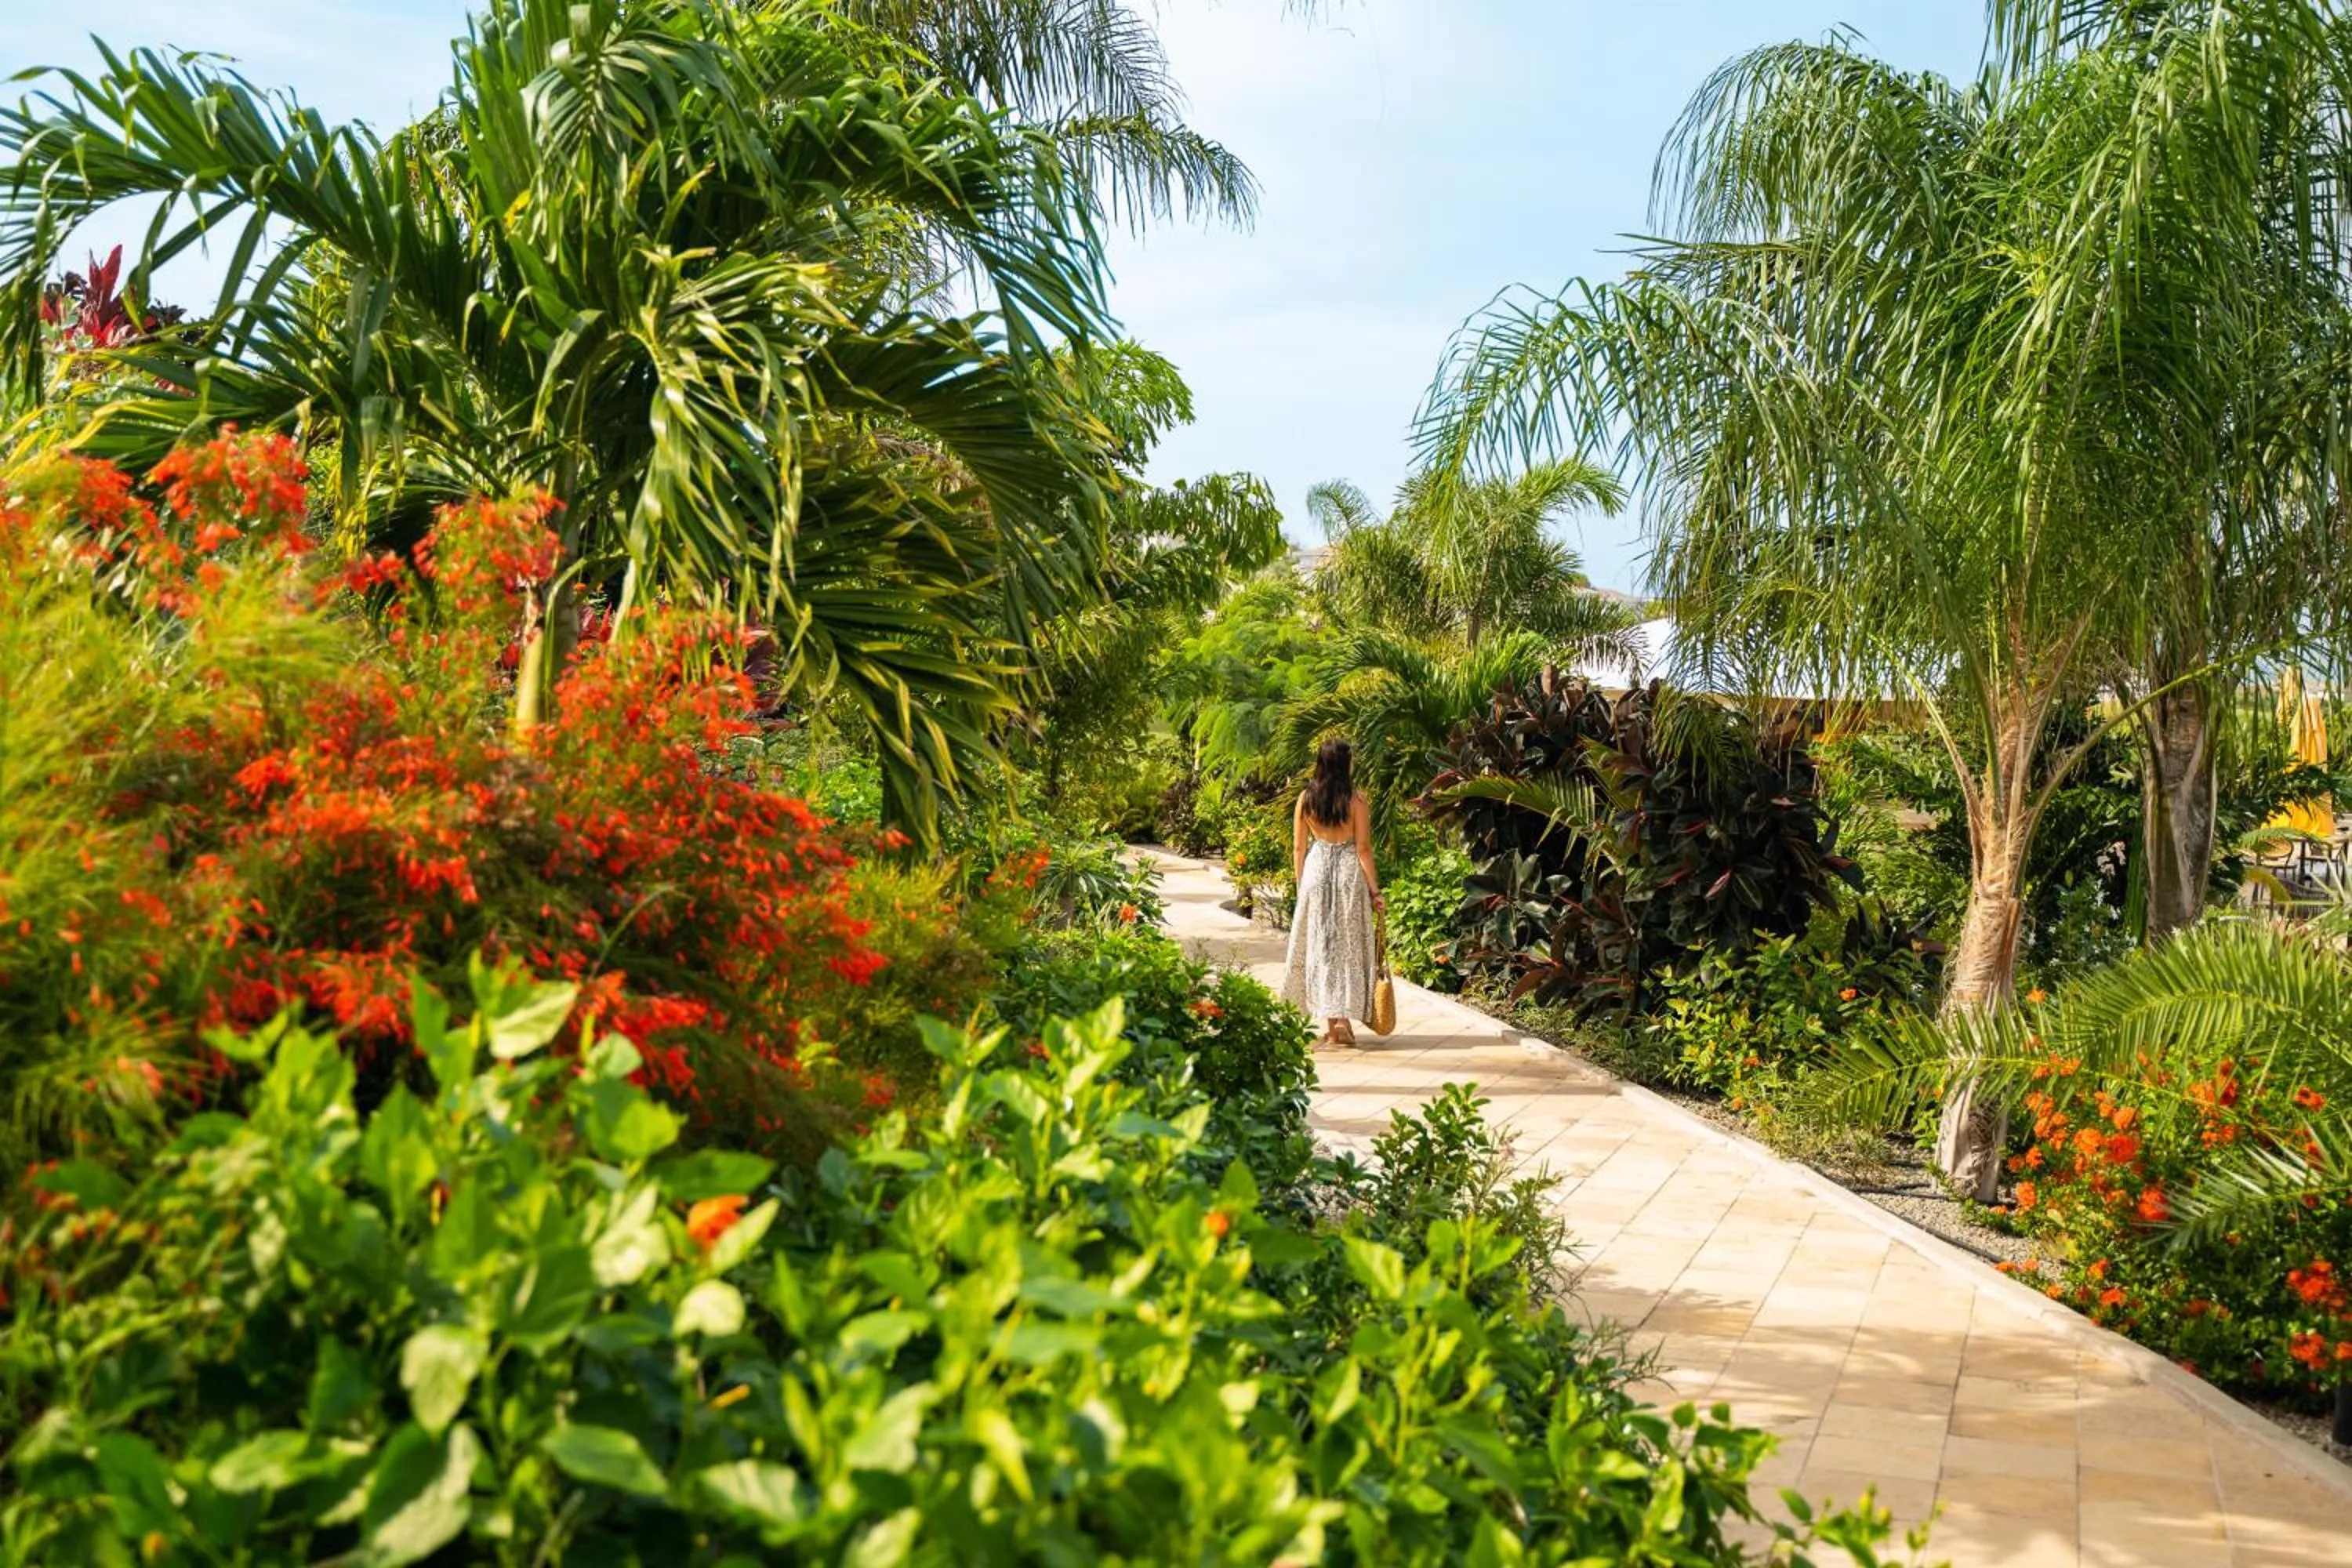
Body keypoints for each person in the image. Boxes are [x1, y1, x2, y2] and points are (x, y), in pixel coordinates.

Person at [1281, 737, 1385, 1047]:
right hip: (1349, 873)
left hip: (1316, 870)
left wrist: (1302, 885)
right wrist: (1375, 891)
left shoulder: (1306, 799)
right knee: (1348, 944)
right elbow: (1363, 848)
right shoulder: (1356, 800)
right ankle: (1343, 1020)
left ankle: (1331, 1025)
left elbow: (1298, 847)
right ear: (1345, 765)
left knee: (1322, 944)